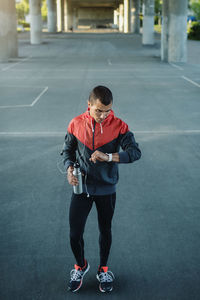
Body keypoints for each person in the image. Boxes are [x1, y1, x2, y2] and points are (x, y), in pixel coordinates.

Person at [62, 85, 141, 293]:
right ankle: (80, 265)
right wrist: (69, 169)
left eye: (107, 110)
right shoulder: (75, 124)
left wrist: (108, 157)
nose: (103, 115)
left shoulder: (119, 126)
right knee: (74, 233)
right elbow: (67, 151)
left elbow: (135, 153)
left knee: (105, 231)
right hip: (82, 188)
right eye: (99, 110)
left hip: (107, 189)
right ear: (89, 105)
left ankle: (103, 269)